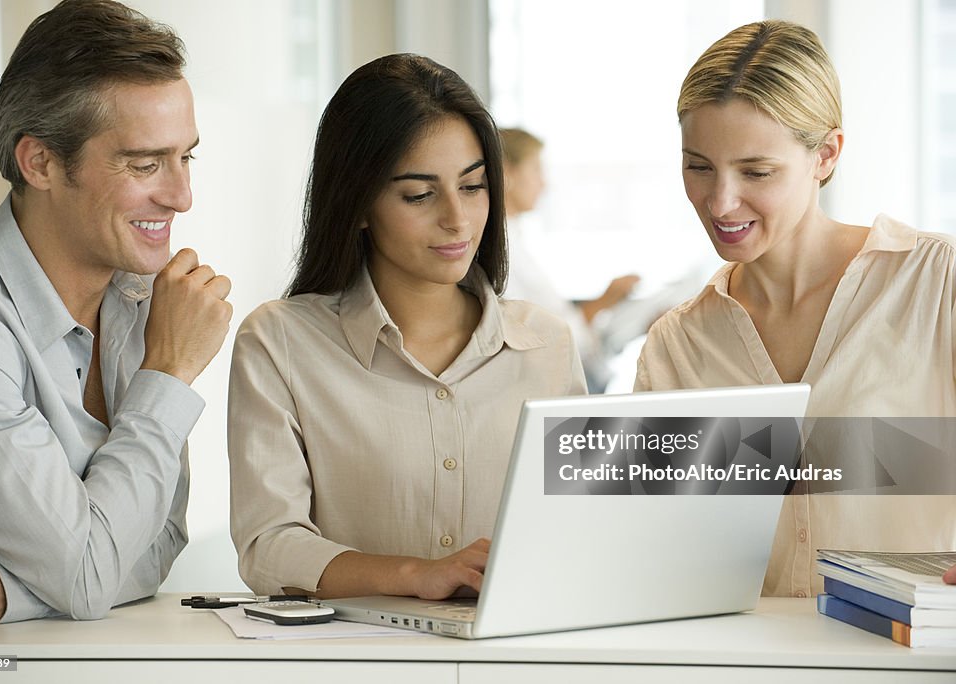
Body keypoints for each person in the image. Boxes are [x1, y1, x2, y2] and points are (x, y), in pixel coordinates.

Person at [228, 54, 586, 600]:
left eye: (473, 186)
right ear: (358, 203)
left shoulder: (546, 344)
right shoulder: (279, 342)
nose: (457, 219)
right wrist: (415, 575)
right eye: (419, 194)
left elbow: (578, 532)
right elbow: (269, 546)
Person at [0, 0, 232, 642]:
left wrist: (4, 589)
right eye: (145, 164)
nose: (181, 195)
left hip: (71, 654)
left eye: (187, 159)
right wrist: (170, 372)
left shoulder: (144, 294)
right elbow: (93, 572)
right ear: (40, 162)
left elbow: (159, 543)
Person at [634, 19, 956, 595]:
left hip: (913, 661)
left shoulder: (936, 283)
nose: (720, 201)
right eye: (699, 166)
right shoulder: (678, 344)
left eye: (756, 171)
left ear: (826, 155)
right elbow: (657, 546)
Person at [500, 128, 639, 392]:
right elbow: (537, 335)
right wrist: (602, 303)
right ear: (507, 173)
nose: (544, 184)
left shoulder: (516, 237)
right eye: (536, 170)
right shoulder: (502, 250)